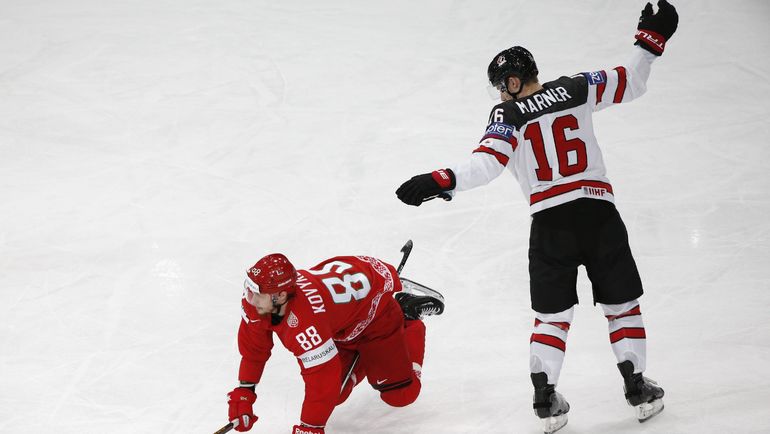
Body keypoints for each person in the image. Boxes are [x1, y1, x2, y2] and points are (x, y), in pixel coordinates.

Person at [395, 1, 678, 432]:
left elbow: (486, 165)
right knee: (622, 306)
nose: (499, 94)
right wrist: (649, 41)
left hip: (550, 226)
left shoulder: (508, 114)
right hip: (599, 216)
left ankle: (546, 397)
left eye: (500, 86)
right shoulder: (578, 87)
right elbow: (632, 80)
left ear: (512, 81)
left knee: (552, 317)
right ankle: (637, 387)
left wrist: (439, 180)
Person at [226, 253, 444, 434]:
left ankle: (408, 315)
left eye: (256, 293)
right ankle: (368, 356)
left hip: (377, 319)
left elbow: (322, 378)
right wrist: (245, 392)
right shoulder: (259, 304)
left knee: (401, 395)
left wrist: (310, 428)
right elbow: (254, 350)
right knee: (335, 395)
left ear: (281, 296)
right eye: (249, 288)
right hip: (342, 324)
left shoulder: (306, 322)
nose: (249, 297)